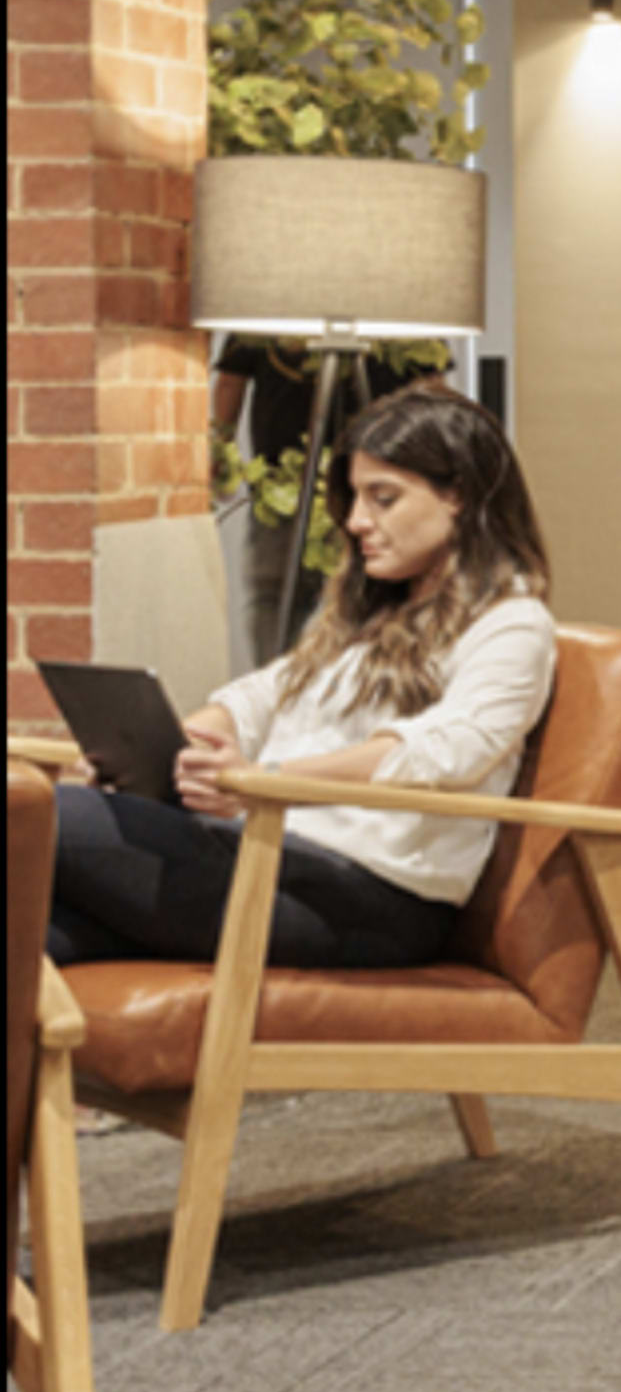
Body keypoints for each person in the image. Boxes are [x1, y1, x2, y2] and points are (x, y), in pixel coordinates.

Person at [50, 384, 556, 971]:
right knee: (32, 933)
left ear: (460, 495)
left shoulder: (512, 623)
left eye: (383, 498)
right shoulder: (369, 617)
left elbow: (449, 751)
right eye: (355, 499)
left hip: (371, 900)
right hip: (276, 858)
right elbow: (262, 695)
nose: (357, 521)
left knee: (46, 812)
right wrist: (188, 746)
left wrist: (263, 779)